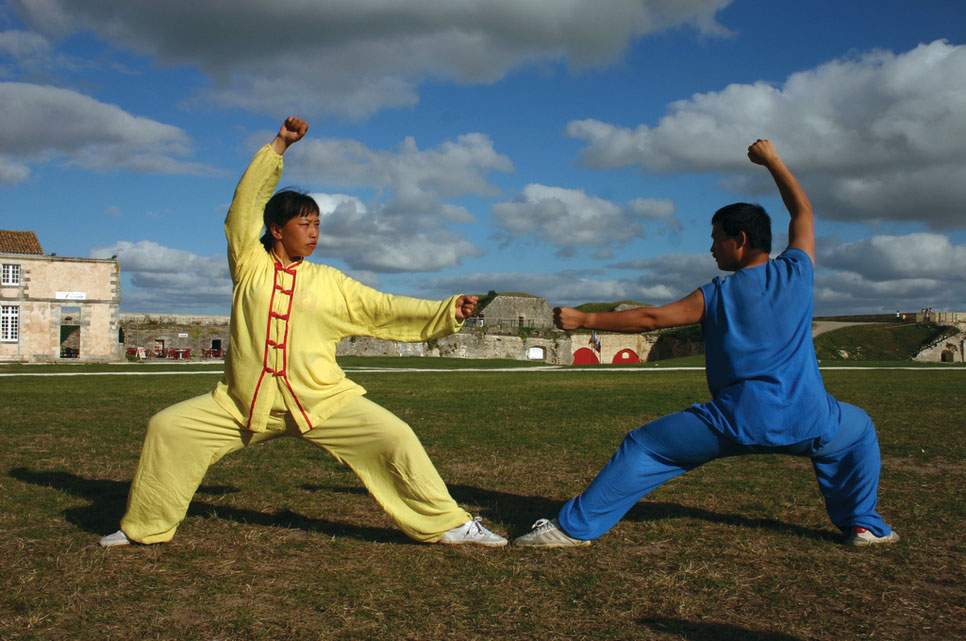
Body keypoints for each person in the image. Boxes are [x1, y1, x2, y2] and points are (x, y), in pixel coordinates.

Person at [101, 117, 506, 548]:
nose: (313, 233)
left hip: (320, 401)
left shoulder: (330, 282)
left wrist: (448, 310)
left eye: (317, 225)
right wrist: (279, 146)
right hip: (241, 404)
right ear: (277, 229)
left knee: (396, 437)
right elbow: (243, 207)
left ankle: (448, 523)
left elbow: (383, 308)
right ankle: (143, 527)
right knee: (168, 428)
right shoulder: (248, 264)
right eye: (304, 225)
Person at [514, 139, 898, 548]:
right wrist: (772, 161)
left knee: (645, 445)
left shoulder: (716, 295)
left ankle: (571, 530)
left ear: (742, 240)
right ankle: (864, 525)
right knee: (857, 431)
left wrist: (585, 319)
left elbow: (651, 319)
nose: (712, 247)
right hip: (811, 418)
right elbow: (802, 211)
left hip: (737, 422)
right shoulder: (798, 272)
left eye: (717, 238)